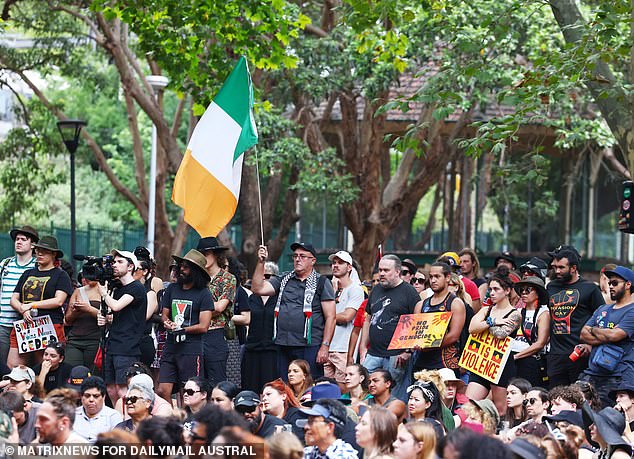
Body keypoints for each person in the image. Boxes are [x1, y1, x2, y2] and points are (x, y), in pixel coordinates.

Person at [252, 242, 335, 378]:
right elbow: (257, 289)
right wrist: (261, 262)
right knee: (284, 385)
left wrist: (325, 346)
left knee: (308, 384)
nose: (297, 259)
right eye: (295, 256)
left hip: (309, 345)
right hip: (283, 343)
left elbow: (331, 317)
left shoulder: (322, 282)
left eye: (302, 256)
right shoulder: (284, 278)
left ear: (313, 260)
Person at [360, 255, 422, 400]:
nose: (381, 273)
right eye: (380, 270)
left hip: (397, 354)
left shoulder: (409, 292)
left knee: (395, 396)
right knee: (364, 388)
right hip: (374, 353)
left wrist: (407, 351)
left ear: (397, 272)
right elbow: (368, 319)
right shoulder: (376, 290)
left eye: (386, 270)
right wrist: (363, 347)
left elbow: (417, 322)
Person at [157, 249, 213, 403]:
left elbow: (204, 326)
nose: (181, 269)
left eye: (186, 267)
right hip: (170, 346)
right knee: (162, 390)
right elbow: (164, 315)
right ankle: (169, 421)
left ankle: (186, 422)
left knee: (187, 392)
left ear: (195, 271)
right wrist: (167, 322)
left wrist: (182, 329)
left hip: (191, 349)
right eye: (181, 265)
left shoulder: (204, 294)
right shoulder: (172, 289)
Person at [9, 235, 73, 368]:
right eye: (38, 250)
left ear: (54, 254)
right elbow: (14, 298)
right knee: (14, 367)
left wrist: (31, 305)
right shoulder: (27, 273)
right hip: (24, 325)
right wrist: (22, 308)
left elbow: (59, 301)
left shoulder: (60, 275)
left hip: (48, 326)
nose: (39, 253)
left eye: (44, 250)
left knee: (45, 367)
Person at [466, 272, 522, 415]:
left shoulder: (515, 314)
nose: (492, 293)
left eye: (496, 289)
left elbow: (500, 335)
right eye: (490, 289)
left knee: (500, 409)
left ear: (507, 291)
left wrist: (484, 324)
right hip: (481, 362)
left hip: (501, 364)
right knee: (468, 406)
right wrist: (493, 321)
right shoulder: (487, 309)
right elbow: (472, 329)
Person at [547, 247, 603, 387]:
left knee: (580, 400)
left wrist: (590, 345)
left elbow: (603, 318)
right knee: (556, 398)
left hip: (580, 353)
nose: (557, 271)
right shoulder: (551, 287)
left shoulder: (590, 288)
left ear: (573, 268)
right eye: (555, 267)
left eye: (561, 267)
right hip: (555, 355)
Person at [579, 265, 634, 408]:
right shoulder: (602, 309)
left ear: (628, 284)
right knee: (581, 413)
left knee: (610, 419)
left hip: (618, 375)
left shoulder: (632, 310)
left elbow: (616, 335)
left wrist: (595, 330)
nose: (610, 286)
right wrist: (605, 334)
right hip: (592, 372)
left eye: (615, 283)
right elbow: (583, 334)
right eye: (609, 283)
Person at [97, 249, 147, 405]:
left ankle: (127, 422)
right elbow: (117, 314)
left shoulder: (136, 288)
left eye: (120, 262)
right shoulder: (118, 289)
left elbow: (117, 306)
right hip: (112, 343)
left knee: (123, 389)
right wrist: (105, 318)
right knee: (111, 389)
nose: (115, 265)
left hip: (127, 346)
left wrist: (104, 294)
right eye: (114, 262)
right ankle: (117, 419)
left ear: (130, 266)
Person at [413, 261, 467, 376]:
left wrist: (430, 345)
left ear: (447, 277)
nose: (433, 280)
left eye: (437, 276)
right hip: (421, 363)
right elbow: (415, 333)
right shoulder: (421, 304)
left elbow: (454, 336)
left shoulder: (455, 303)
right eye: (431, 277)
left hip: (445, 364)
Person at [197, 237, 236, 386]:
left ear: (215, 254)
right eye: (200, 255)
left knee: (217, 383)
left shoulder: (228, 279)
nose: (203, 258)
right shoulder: (197, 279)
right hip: (196, 333)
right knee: (197, 382)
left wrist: (199, 309)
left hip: (216, 334)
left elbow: (220, 307)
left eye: (206, 254)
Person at [0, 225, 38, 366]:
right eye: (17, 239)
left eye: (24, 239)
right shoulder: (5, 264)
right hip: (3, 324)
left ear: (33, 244)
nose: (19, 242)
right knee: (3, 366)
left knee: (22, 367)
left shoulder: (37, 266)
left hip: (25, 324)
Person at [327, 251, 364, 389]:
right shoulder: (330, 288)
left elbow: (347, 316)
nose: (335, 265)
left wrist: (328, 316)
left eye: (340, 263)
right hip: (326, 347)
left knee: (342, 389)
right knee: (325, 387)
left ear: (349, 267)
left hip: (343, 348)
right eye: (334, 262)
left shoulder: (355, 289)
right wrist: (332, 292)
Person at [241, 261, 279, 393]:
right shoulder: (250, 298)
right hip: (252, 350)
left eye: (268, 276)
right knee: (251, 388)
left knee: (271, 388)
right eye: (261, 275)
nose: (263, 279)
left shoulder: (280, 299)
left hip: (272, 350)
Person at [512, 277, 550, 387]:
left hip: (530, 360)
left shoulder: (543, 313)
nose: (523, 293)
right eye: (521, 290)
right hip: (513, 358)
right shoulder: (517, 311)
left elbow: (540, 343)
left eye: (528, 290)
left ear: (538, 293)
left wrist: (516, 357)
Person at [64, 263, 102, 368]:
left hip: (95, 339)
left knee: (92, 373)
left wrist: (89, 309)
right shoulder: (78, 291)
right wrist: (75, 311)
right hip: (75, 338)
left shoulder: (105, 290)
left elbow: (108, 317)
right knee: (71, 371)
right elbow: (68, 320)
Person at [73, 376, 123, 442]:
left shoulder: (113, 416)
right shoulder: (72, 415)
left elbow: (117, 444)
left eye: (96, 396)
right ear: (81, 397)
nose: (91, 400)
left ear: (103, 397)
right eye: (87, 396)